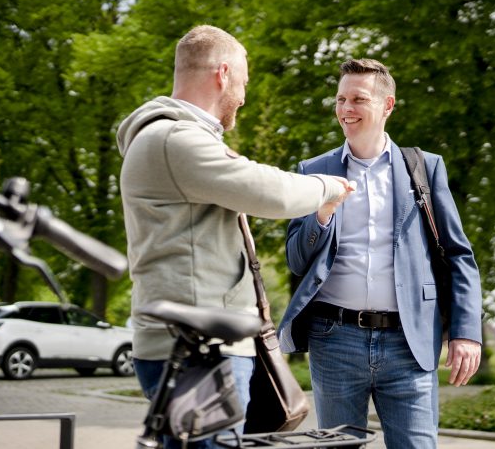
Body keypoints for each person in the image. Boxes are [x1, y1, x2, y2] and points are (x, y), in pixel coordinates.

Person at [116, 25, 352, 448]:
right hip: (197, 351)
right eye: (243, 81)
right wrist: (331, 186)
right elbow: (270, 191)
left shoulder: (175, 137)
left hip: (195, 348)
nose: (243, 95)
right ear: (223, 74)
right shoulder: (175, 138)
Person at [277, 58, 483, 448]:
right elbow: (295, 259)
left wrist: (466, 333)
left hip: (410, 341)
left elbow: (458, 255)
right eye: (340, 99)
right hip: (334, 339)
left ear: (387, 105)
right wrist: (320, 217)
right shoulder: (313, 170)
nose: (345, 110)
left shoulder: (424, 168)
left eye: (358, 99)